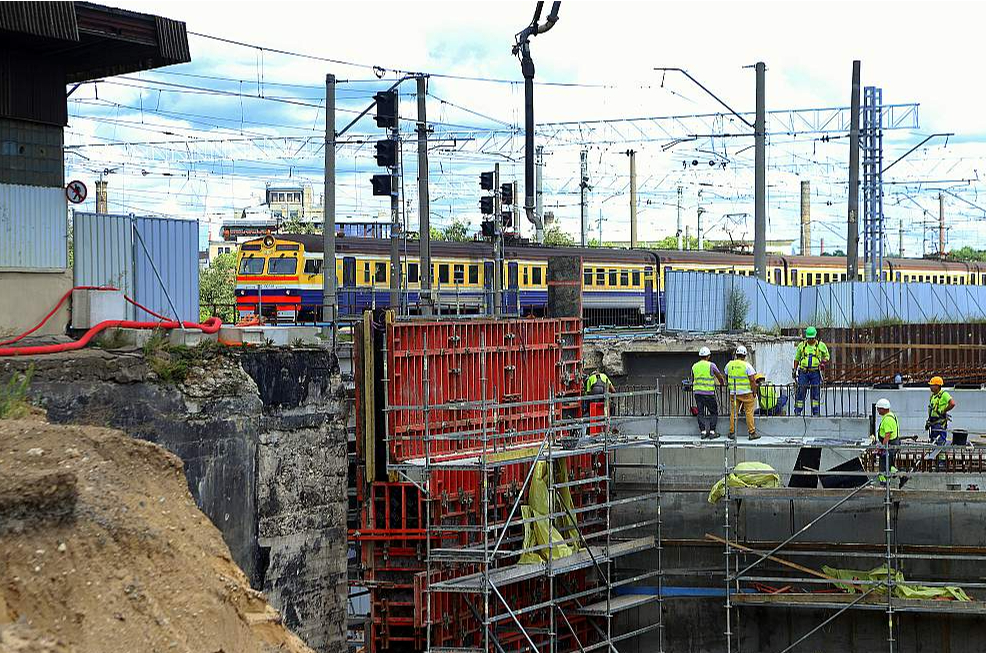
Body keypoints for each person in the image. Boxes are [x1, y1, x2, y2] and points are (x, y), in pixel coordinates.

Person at [793, 326, 830, 416]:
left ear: (815, 337)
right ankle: (798, 411)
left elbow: (827, 357)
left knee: (815, 392)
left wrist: (822, 363)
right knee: (801, 391)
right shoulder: (802, 346)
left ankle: (815, 412)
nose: (810, 340)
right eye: (809, 338)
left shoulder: (821, 345)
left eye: (812, 338)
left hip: (815, 373)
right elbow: (797, 359)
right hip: (803, 372)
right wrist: (794, 370)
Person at [725, 345, 759, 440]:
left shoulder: (729, 364)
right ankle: (752, 433)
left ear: (736, 355)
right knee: (749, 412)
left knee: (734, 413)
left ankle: (732, 432)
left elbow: (726, 375)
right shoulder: (747, 365)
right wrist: (754, 391)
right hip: (747, 393)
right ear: (744, 356)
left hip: (734, 393)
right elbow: (752, 380)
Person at [692, 346, 726, 439]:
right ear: (708, 356)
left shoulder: (694, 366)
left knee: (700, 413)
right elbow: (719, 376)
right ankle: (712, 431)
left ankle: (703, 432)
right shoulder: (711, 365)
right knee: (714, 412)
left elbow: (693, 378)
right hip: (708, 393)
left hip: (698, 393)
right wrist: (722, 383)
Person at [874, 398, 899, 486]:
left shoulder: (887, 419)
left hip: (889, 446)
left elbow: (887, 435)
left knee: (883, 467)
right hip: (893, 445)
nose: (877, 411)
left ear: (883, 409)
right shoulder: (892, 415)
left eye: (878, 409)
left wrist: (882, 447)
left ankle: (884, 484)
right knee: (889, 465)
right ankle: (899, 475)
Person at [926, 376, 955, 447]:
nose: (930, 387)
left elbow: (952, 403)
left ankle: (941, 458)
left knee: (940, 443)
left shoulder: (944, 394)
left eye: (932, 385)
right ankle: (935, 457)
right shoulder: (933, 396)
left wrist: (944, 410)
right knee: (934, 443)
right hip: (933, 423)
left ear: (937, 386)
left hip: (940, 424)